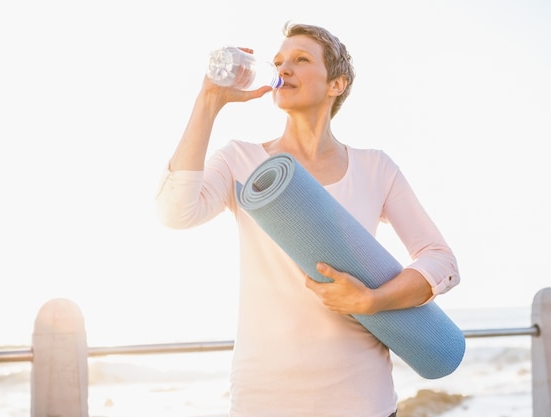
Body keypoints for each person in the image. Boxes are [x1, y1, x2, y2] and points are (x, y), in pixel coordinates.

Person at [156, 22, 460, 417]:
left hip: (361, 398)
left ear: (337, 84)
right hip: (264, 397)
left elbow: (441, 261)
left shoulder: (375, 168)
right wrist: (208, 102)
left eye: (301, 60)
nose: (284, 69)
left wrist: (371, 300)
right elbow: (175, 212)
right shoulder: (241, 160)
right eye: (279, 61)